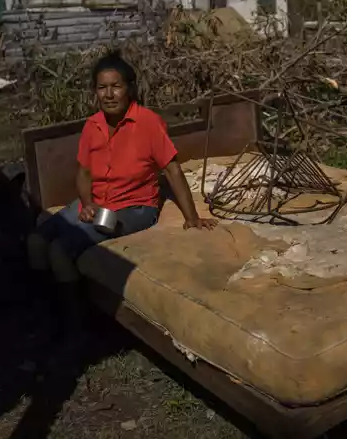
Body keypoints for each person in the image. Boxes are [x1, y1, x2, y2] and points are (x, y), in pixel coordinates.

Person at [27, 51, 217, 335]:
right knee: (35, 240)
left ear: (130, 88)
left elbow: (173, 170)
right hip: (98, 200)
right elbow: (83, 174)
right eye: (102, 87)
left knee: (60, 250)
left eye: (116, 86)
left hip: (134, 207)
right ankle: (46, 312)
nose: (109, 94)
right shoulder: (93, 126)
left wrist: (191, 218)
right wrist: (88, 203)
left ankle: (76, 330)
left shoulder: (148, 123)